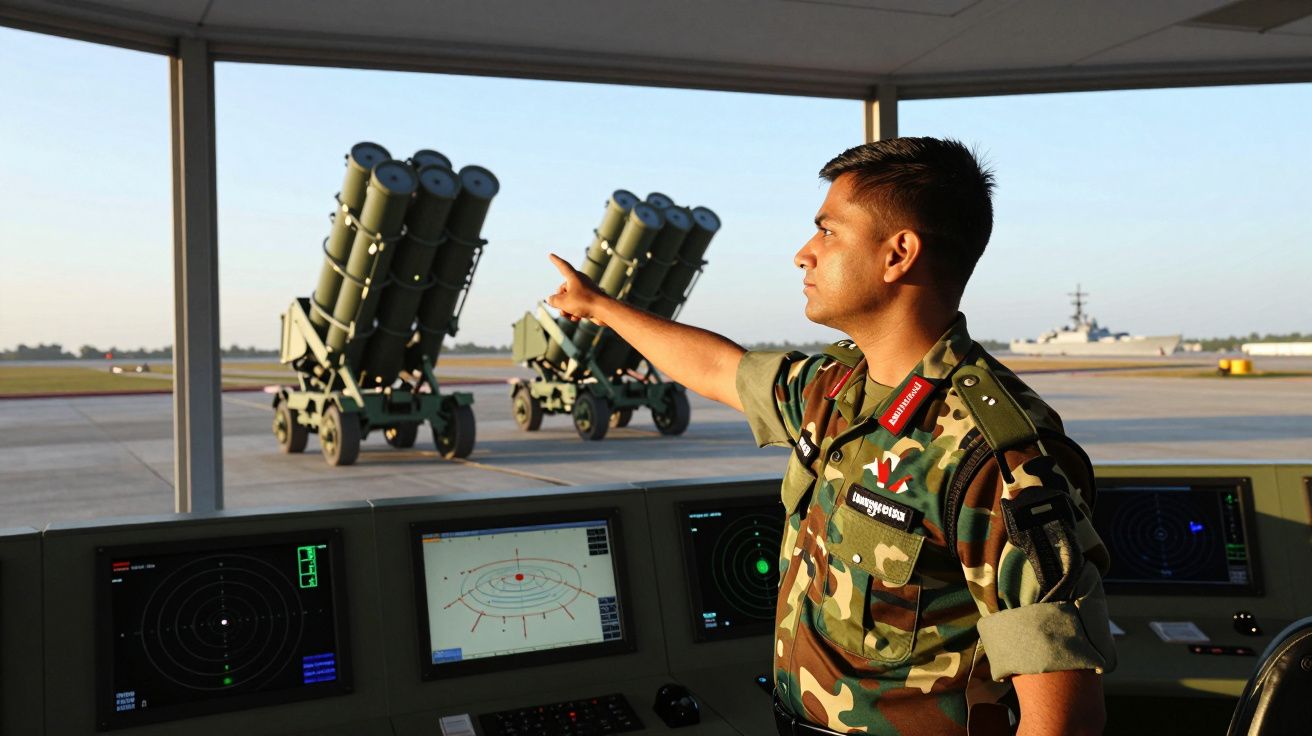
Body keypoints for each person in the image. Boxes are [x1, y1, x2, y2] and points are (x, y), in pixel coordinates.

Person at [545, 137, 1116, 736]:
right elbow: (719, 369)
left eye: (828, 232)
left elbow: (1065, 714)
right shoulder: (836, 392)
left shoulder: (993, 457)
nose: (803, 254)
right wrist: (600, 307)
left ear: (898, 254)